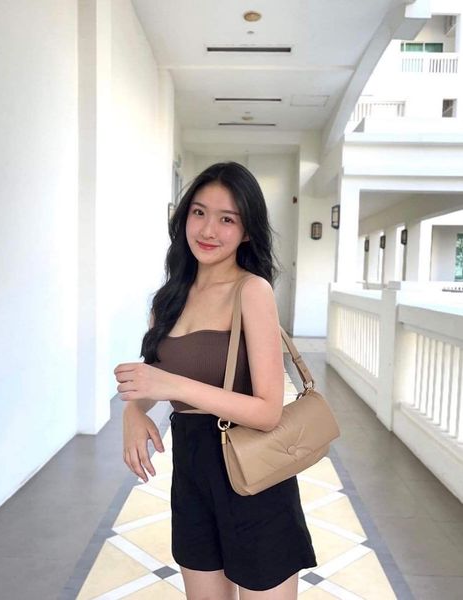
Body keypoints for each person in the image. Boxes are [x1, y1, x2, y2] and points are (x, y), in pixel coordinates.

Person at [114, 162, 317, 599]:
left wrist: (172, 387)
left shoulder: (252, 291)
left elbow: (268, 411)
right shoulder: (168, 299)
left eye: (227, 219)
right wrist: (133, 412)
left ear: (246, 232)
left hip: (255, 472)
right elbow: (151, 379)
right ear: (184, 216)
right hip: (192, 472)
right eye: (199, 212)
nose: (208, 230)